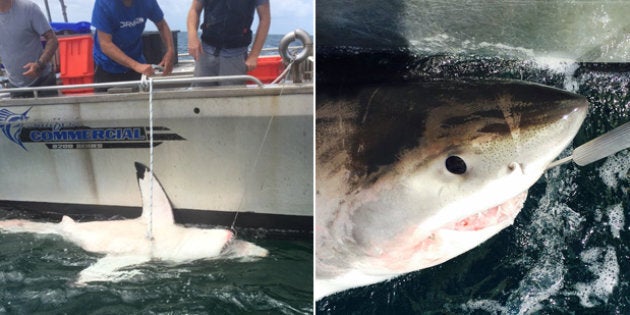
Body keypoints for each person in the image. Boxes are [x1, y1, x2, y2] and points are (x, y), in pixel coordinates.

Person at [91, 0, 174, 88]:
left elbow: (162, 25)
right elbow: (105, 44)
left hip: (136, 61)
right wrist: (136, 65)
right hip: (107, 66)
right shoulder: (103, 3)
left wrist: (170, 50)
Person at [187, 0, 271, 86]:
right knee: (200, 96)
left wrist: (254, 55)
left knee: (231, 97)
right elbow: (195, 9)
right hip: (205, 52)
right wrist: (192, 36)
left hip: (235, 56)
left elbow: (265, 18)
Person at [0, 0, 58, 97]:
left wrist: (40, 64)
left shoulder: (29, 9)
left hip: (43, 83)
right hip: (15, 87)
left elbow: (52, 40)